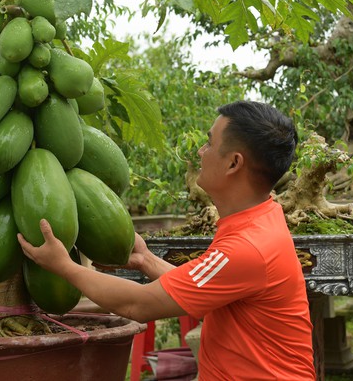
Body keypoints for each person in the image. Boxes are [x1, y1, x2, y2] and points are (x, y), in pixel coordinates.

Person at [17, 100, 315, 380]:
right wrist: (145, 260)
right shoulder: (260, 220)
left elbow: (139, 306)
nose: (200, 151)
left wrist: (63, 266)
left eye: (210, 142)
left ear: (234, 163)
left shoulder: (247, 248)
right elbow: (199, 289)